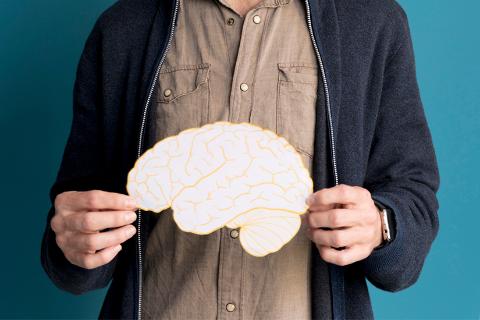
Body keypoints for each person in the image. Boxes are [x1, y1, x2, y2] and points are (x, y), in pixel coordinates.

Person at [40, 0, 440, 318]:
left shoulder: (371, 22)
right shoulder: (123, 28)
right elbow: (75, 222)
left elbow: (413, 198)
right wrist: (75, 242)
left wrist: (380, 226)